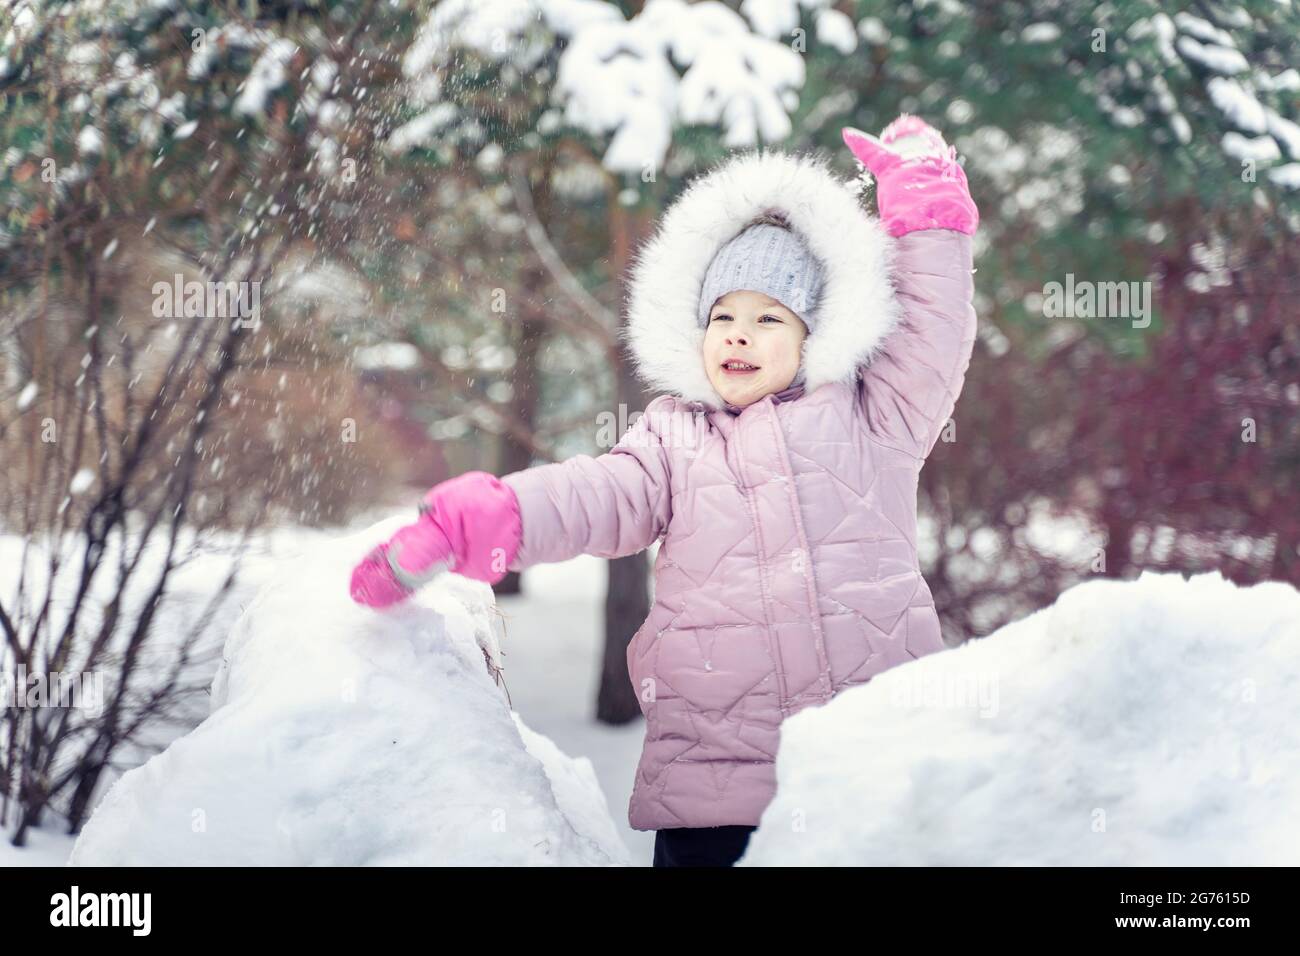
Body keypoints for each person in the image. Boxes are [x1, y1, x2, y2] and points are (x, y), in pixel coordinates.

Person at [350, 114, 980, 868]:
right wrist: (489, 518)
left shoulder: (874, 419)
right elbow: (592, 496)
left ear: (819, 334)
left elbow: (934, 333)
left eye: (768, 318)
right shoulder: (671, 439)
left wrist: (929, 220)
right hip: (715, 790)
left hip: (864, 772)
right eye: (722, 317)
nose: (738, 336)